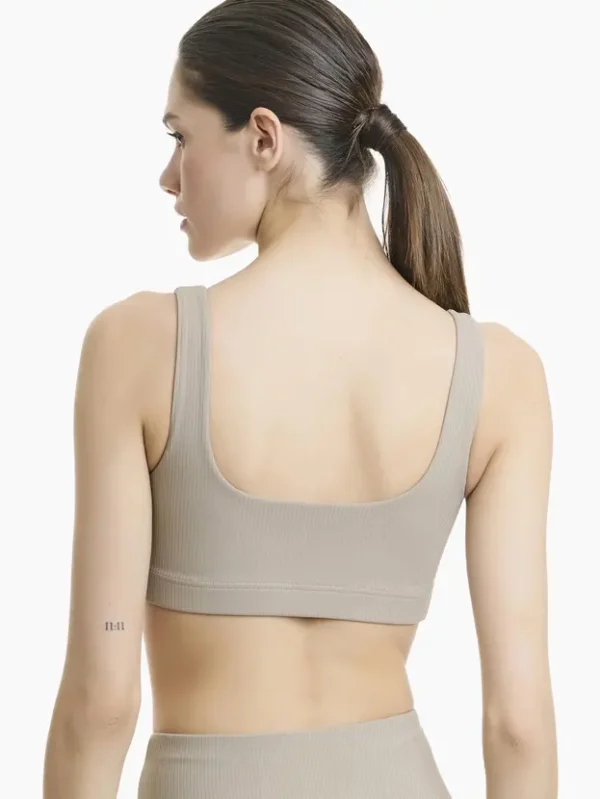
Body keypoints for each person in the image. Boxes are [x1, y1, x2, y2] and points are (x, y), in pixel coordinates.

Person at [43, 1, 558, 797]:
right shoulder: (501, 374)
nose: (169, 176)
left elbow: (101, 701)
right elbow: (518, 721)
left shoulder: (138, 347)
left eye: (180, 136)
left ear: (263, 137)